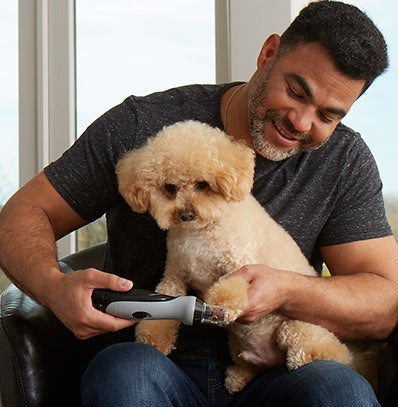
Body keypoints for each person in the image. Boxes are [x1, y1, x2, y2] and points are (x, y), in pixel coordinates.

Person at [0, 1, 397, 405]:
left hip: (276, 370)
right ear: (268, 53)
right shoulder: (141, 126)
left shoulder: (343, 161)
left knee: (340, 389)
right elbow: (21, 213)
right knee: (125, 374)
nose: (301, 122)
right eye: (296, 91)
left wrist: (285, 290)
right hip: (151, 364)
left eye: (328, 116)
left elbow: (385, 301)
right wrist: (53, 287)